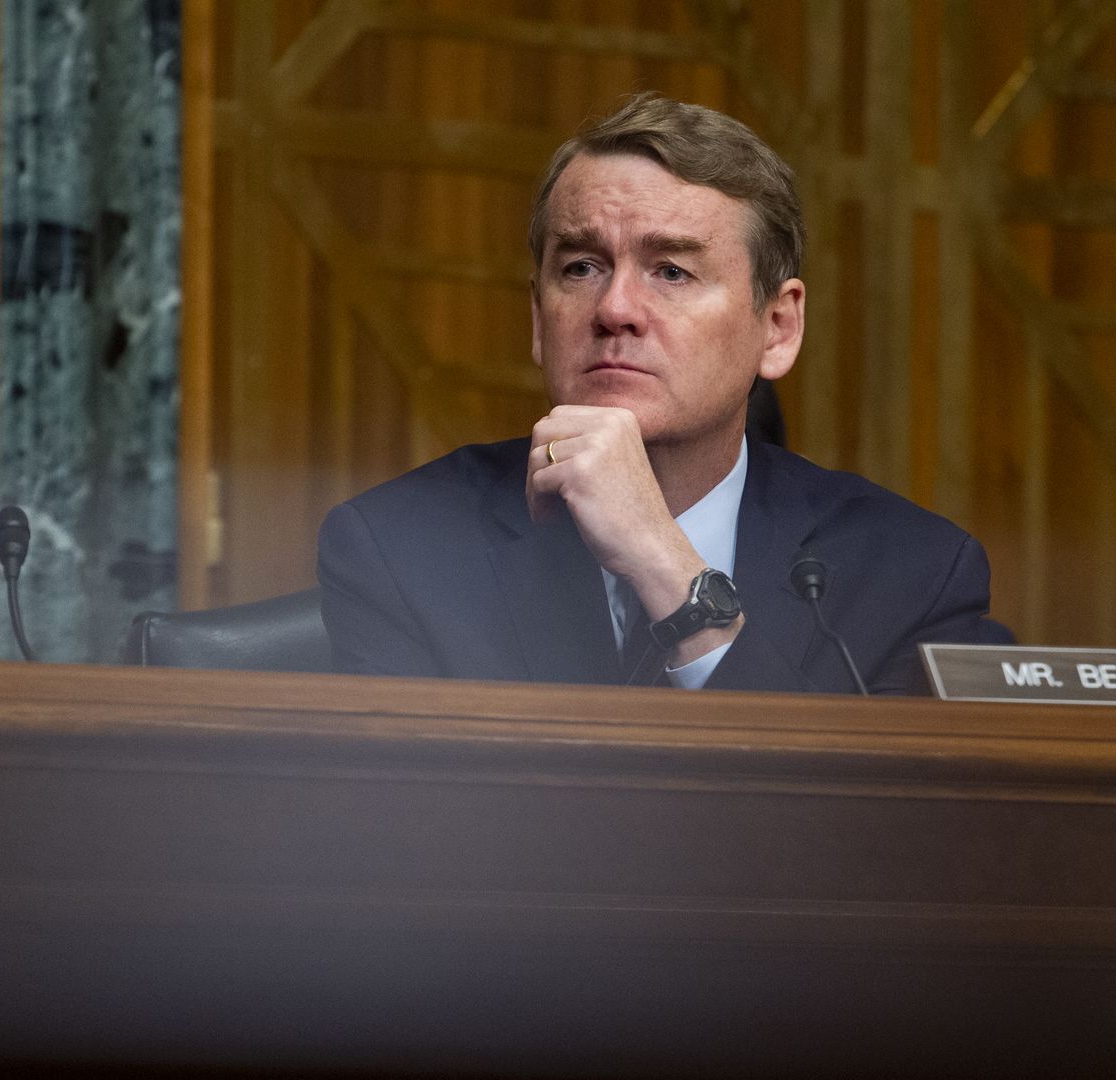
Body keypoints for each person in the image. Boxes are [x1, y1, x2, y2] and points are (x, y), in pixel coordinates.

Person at [318, 93, 1009, 693]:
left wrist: (666, 566)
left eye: (672, 271)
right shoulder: (402, 549)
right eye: (581, 267)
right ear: (538, 319)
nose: (614, 308)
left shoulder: (911, 575)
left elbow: (861, 811)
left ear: (777, 328)